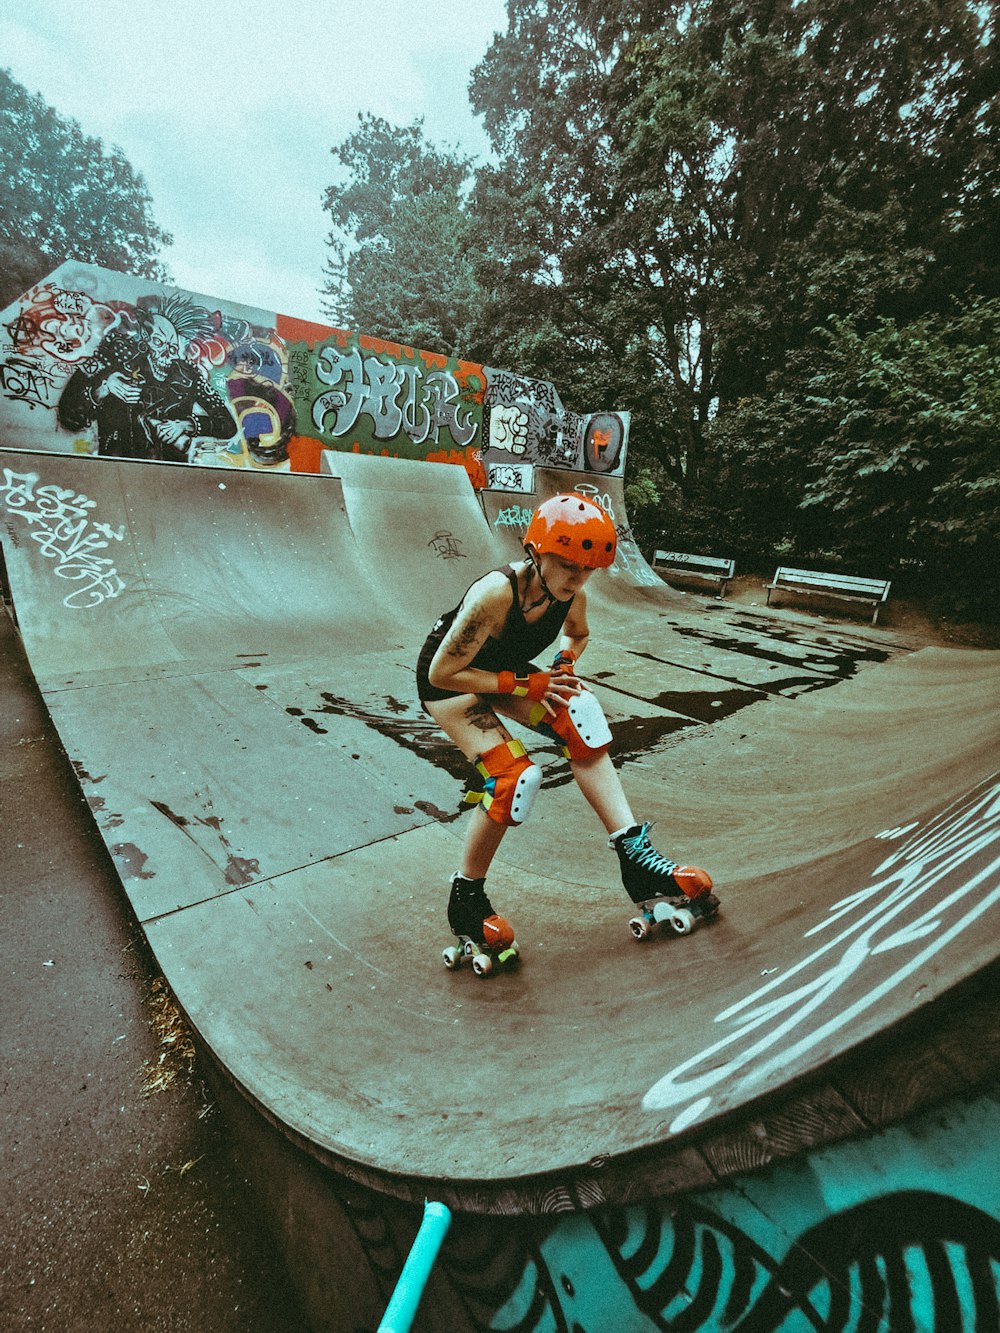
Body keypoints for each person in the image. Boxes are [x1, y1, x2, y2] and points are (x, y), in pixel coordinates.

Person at [416, 491, 713, 954]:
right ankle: (466, 900)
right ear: (537, 552)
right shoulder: (497, 593)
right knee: (514, 780)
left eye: (587, 569)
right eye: (568, 564)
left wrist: (564, 663)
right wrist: (524, 685)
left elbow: (578, 635)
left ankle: (634, 856)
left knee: (582, 715)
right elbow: (442, 671)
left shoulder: (570, 595)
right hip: (452, 684)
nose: (577, 577)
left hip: (506, 675)